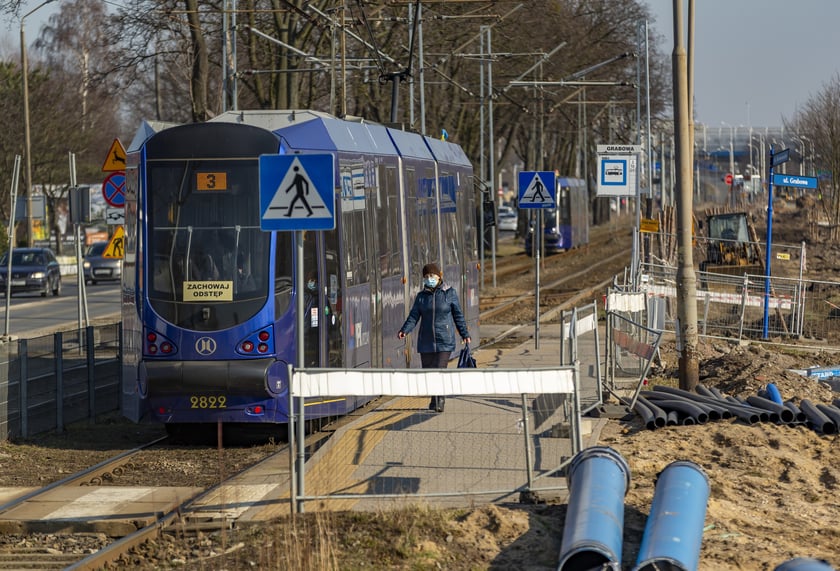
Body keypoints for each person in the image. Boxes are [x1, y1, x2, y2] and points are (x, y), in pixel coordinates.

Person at [398, 263, 471, 412]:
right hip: (426, 341)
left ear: (439, 277)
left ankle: (439, 401)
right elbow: (413, 316)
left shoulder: (449, 293)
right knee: (430, 372)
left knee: (439, 369)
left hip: (444, 339)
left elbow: (458, 315)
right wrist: (405, 330)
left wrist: (464, 334)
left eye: (432, 276)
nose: (429, 279)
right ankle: (434, 399)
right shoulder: (421, 297)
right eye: (426, 277)